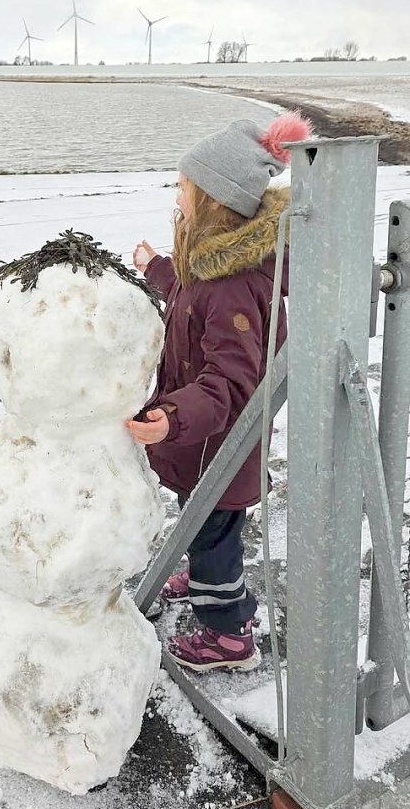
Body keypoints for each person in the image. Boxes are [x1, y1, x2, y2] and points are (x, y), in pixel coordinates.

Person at [127, 113, 312, 673]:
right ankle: (206, 577)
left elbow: (231, 383)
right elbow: (187, 293)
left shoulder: (232, 285)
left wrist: (170, 418)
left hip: (220, 448)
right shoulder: (212, 268)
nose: (176, 198)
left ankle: (229, 634)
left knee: (214, 539)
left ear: (213, 201)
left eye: (184, 190)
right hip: (203, 445)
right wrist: (156, 266)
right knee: (202, 522)